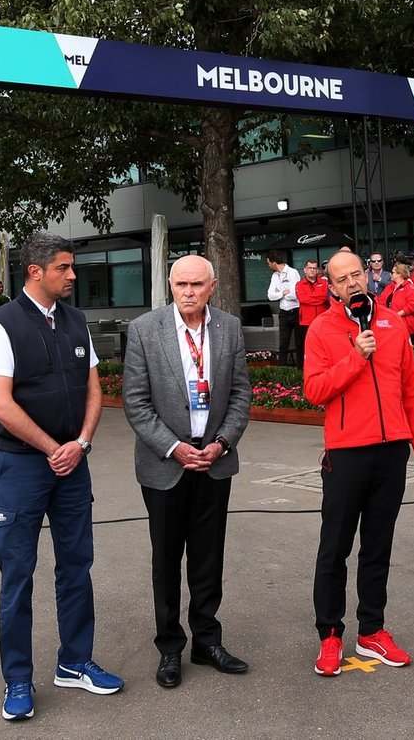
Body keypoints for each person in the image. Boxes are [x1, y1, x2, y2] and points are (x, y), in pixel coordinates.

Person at [0, 232, 121, 721]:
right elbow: (1, 404)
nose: (73, 275)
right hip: (20, 468)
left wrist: (79, 444)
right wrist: (52, 448)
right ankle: (17, 678)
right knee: (18, 574)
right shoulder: (0, 326)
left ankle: (74, 662)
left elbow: (95, 390)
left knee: (77, 565)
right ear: (35, 271)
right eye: (64, 267)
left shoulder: (77, 321)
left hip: (73, 464)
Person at [303, 250, 414, 677]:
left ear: (367, 274)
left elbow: (411, 387)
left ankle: (372, 630)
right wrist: (355, 357)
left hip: (391, 450)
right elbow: (315, 390)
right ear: (332, 287)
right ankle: (329, 635)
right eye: (341, 280)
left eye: (356, 274)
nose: (352, 283)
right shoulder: (322, 329)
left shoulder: (393, 322)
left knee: (378, 546)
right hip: (345, 453)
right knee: (335, 548)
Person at [121, 255, 252, 689]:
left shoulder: (229, 328)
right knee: (166, 560)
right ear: (170, 286)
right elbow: (135, 403)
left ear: (212, 286)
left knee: (208, 556)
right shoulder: (144, 330)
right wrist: (175, 448)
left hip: (215, 461)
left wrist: (222, 443)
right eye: (181, 284)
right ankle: (170, 648)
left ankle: (207, 641)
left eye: (197, 284)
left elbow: (240, 395)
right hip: (165, 465)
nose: (189, 292)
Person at [265, 251, 302, 368]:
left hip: (296, 311)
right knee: (283, 344)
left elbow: (295, 295)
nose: (268, 265)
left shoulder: (293, 273)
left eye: (268, 263)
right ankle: (282, 370)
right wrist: (283, 292)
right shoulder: (275, 276)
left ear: (274, 263)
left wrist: (280, 294)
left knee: (299, 343)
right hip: (284, 313)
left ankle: (301, 369)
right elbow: (270, 296)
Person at [379, 263, 414, 340]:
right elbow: (381, 301)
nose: (390, 274)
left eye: (393, 272)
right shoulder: (389, 287)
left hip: (405, 325)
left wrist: (396, 315)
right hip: (390, 323)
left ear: (399, 274)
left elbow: (411, 306)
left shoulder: (410, 288)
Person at [295, 259, 330, 330]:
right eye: (310, 268)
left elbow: (326, 297)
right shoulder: (299, 284)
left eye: (314, 268)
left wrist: (310, 297)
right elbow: (302, 299)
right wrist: (319, 298)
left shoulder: (325, 282)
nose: (312, 270)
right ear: (305, 270)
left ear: (317, 270)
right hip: (306, 322)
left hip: (323, 319)